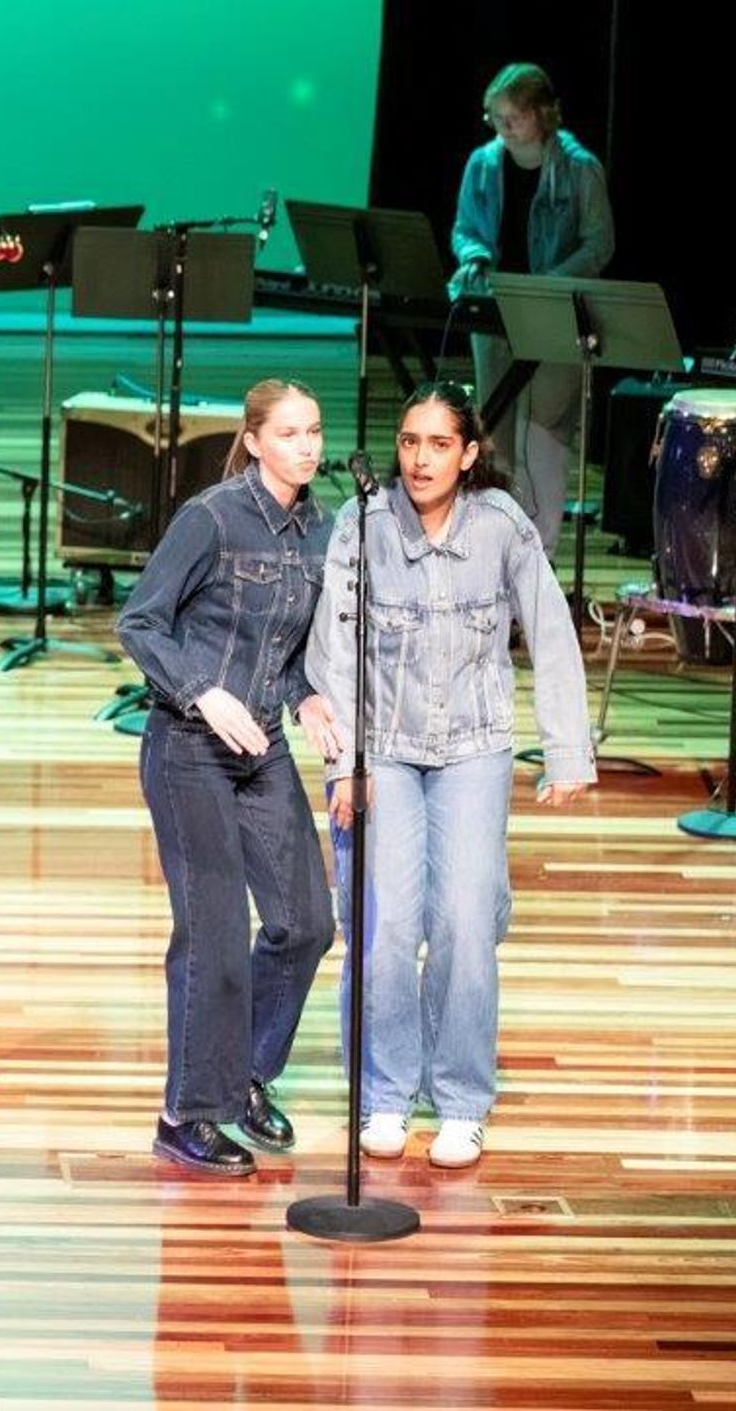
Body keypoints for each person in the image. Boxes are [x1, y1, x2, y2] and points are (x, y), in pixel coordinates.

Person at [306, 381, 595, 1168]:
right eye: (409, 442)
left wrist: (567, 750)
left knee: (467, 922)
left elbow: (551, 630)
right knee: (385, 925)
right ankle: (386, 1092)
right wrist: (344, 763)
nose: (420, 459)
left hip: (473, 747)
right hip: (381, 749)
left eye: (439, 444)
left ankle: (462, 1099)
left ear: (468, 455)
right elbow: (334, 649)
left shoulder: (502, 526)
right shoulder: (362, 523)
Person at [115, 381, 342, 1175]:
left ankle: (241, 1074)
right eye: (289, 433)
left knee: (306, 923)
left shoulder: (323, 528)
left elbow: (292, 646)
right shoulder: (211, 518)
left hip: (262, 745)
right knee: (212, 935)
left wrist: (305, 694)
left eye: (315, 432)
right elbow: (139, 621)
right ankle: (186, 1112)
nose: (307, 447)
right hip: (188, 747)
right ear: (253, 441)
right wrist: (201, 692)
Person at [449, 62, 616, 556]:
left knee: (544, 428)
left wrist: (549, 285)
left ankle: (537, 553)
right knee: (494, 429)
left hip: (554, 311)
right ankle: (491, 547)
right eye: (495, 117)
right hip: (495, 308)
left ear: (542, 115)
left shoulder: (579, 168)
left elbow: (599, 243)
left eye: (514, 118)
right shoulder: (483, 163)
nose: (503, 127)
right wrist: (474, 255)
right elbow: (466, 229)